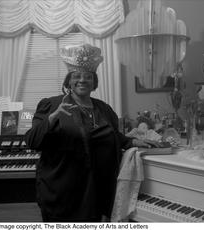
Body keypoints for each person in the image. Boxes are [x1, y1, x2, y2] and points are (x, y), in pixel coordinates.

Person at [25, 43, 160, 222]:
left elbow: (111, 136)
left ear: (94, 82)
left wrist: (132, 142)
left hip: (96, 191)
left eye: (88, 76)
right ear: (68, 81)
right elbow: (31, 140)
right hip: (63, 191)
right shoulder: (51, 105)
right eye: (77, 76)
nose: (82, 80)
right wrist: (52, 118)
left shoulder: (104, 109)